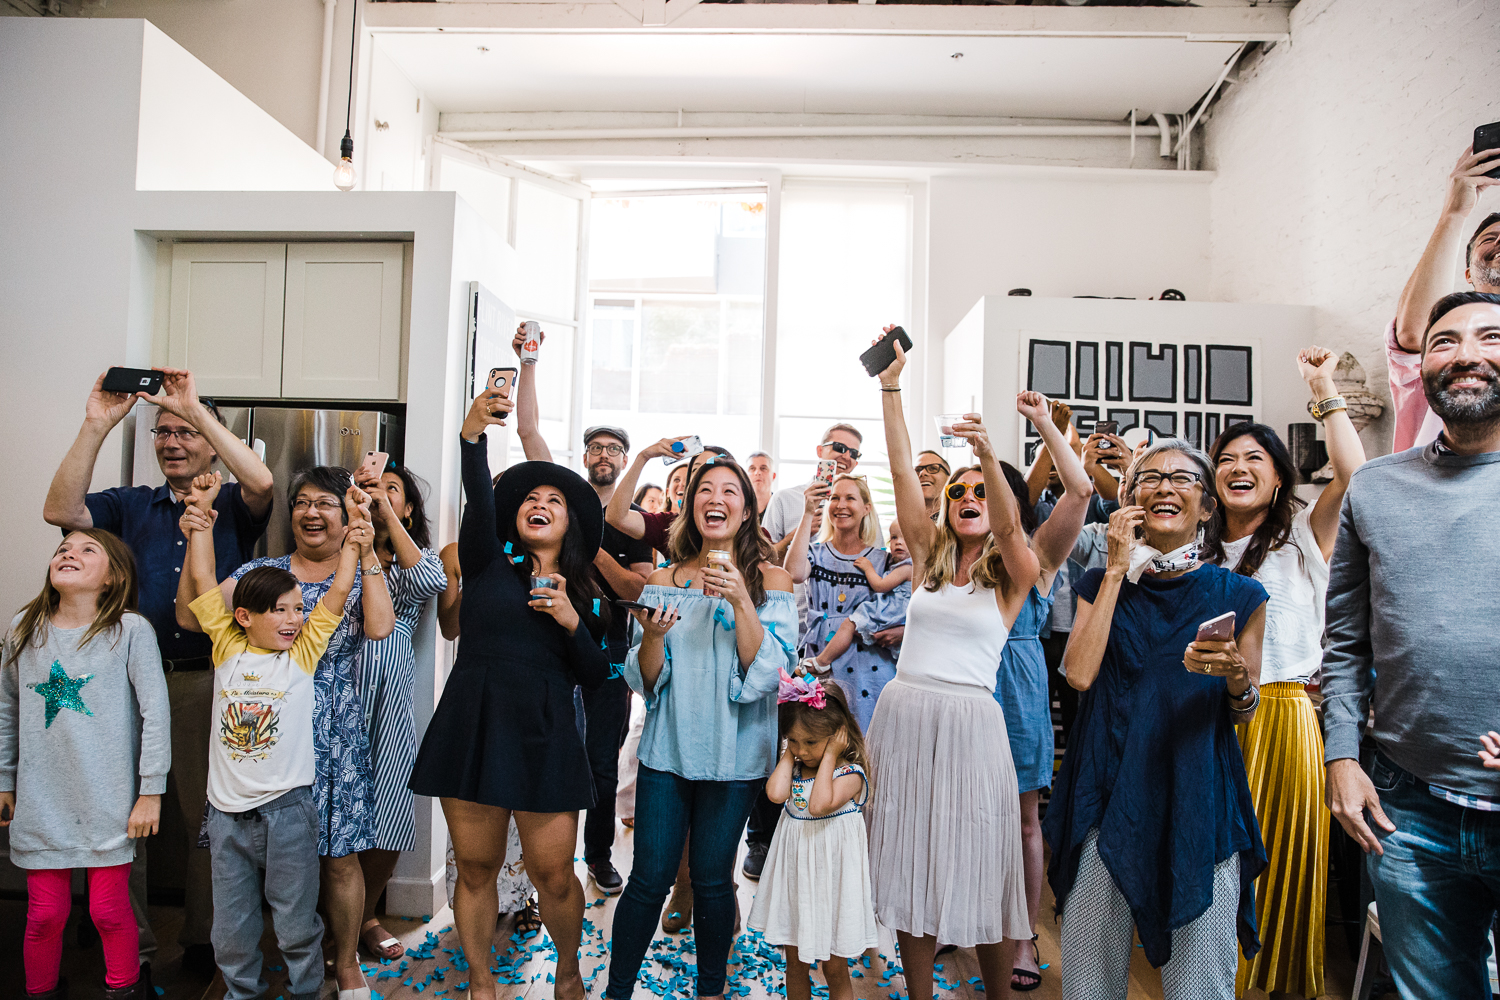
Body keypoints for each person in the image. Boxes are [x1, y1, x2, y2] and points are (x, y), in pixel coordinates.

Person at [43, 367, 273, 977]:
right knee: (124, 809)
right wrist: (97, 425)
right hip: (121, 682)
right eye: (162, 433)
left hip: (206, 679)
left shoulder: (230, 504)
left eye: (185, 432)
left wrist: (195, 410)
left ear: (208, 433)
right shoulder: (128, 505)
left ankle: (204, 939)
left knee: (207, 816)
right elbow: (57, 508)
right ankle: (131, 941)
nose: (171, 441)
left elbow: (261, 479)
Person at [1044, 439, 1269, 1000]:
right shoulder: (1099, 584)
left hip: (1199, 793)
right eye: (1150, 477)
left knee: (1201, 981)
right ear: (1130, 497)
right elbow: (1078, 674)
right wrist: (1118, 569)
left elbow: (1244, 710)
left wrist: (1237, 675)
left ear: (1208, 504)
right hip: (1107, 786)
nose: (1165, 487)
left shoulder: (1241, 594)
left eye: (1183, 478)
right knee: (1090, 975)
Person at [1323, 291, 1500, 998]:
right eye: (1444, 341)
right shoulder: (1377, 487)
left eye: (1490, 336)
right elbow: (1346, 641)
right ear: (1421, 364)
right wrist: (1341, 754)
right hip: (1406, 807)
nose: (1466, 355)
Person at [409, 382, 609, 1000]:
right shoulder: (487, 559)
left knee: (553, 875)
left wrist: (573, 621)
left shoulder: (587, 592)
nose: (538, 503)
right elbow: (477, 487)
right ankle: (479, 979)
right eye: (528, 497)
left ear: (569, 520)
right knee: (475, 867)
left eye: (554, 499)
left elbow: (601, 676)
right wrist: (472, 433)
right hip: (474, 724)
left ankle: (568, 972)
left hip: (546, 734)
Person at [177, 466, 393, 999]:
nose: (295, 618)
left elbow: (340, 595)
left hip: (290, 804)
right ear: (245, 617)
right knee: (232, 923)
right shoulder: (226, 646)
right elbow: (204, 589)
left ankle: (311, 987)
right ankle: (239, 991)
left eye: (300, 609)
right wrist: (200, 525)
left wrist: (358, 537)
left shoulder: (305, 650)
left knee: (299, 918)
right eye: (281, 610)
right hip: (229, 811)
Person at [867, 332, 1038, 1000]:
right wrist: (891, 385)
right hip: (904, 713)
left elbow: (1010, 528)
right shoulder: (928, 559)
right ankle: (918, 994)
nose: (967, 495)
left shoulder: (1014, 574)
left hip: (971, 723)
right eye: (958, 490)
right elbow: (903, 468)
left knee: (979, 870)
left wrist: (988, 456)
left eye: (979, 491)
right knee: (910, 864)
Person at [605, 458, 797, 1000]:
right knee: (647, 880)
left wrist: (740, 600)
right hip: (668, 752)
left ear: (745, 509)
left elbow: (773, 677)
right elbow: (646, 683)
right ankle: (617, 991)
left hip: (737, 758)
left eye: (729, 490)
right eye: (703, 489)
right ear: (690, 507)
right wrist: (652, 639)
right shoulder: (663, 580)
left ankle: (711, 990)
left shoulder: (774, 583)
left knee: (713, 880)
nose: (715, 497)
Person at [1212, 347, 1365, 1000]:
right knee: (1216, 862)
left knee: (1282, 860)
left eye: (1254, 458)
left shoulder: (1302, 534)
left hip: (1285, 715)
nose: (1238, 467)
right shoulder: (1196, 547)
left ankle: (1274, 983)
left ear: (1278, 478)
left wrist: (1324, 385)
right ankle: (1216, 978)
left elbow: (1355, 472)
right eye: (1226, 459)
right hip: (1211, 718)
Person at [510, 329, 655, 896]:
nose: (602, 456)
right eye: (594, 447)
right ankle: (532, 873)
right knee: (538, 752)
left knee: (599, 762)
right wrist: (529, 359)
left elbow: (638, 591)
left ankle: (596, 857)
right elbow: (527, 431)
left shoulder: (636, 521)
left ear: (623, 463)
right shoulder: (558, 496)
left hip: (608, 653)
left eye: (613, 450)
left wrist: (589, 538)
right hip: (543, 645)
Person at [1, 529, 168, 1000]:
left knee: (111, 913)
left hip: (110, 801)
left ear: (113, 577)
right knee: (44, 916)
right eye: (62, 549)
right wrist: (3, 779)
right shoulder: (22, 628)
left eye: (86, 550)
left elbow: (156, 714)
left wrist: (150, 792)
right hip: (42, 802)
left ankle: (124, 990)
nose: (69, 553)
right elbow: (5, 709)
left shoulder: (131, 630)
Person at [989, 392, 1094, 993]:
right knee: (966, 815)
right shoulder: (949, 560)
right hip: (964, 686)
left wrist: (1044, 426)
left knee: (1026, 819)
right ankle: (970, 918)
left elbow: (1078, 492)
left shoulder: (1038, 555)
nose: (980, 501)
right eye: (969, 491)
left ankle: (1024, 933)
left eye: (993, 491)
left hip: (1017, 682)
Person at [348, 463, 447, 960]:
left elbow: (431, 581)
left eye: (393, 492)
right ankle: (333, 924)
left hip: (391, 700)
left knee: (389, 812)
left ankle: (364, 917)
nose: (381, 496)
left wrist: (382, 508)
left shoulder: (417, 560)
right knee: (336, 815)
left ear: (408, 508)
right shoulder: (340, 553)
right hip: (338, 697)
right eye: (372, 489)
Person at [434, 536, 541, 941]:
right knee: (476, 806)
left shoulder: (540, 550)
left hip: (530, 692)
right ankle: (477, 899)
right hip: (477, 695)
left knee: (527, 806)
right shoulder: (456, 554)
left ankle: (524, 897)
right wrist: (479, 583)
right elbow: (448, 628)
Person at [747, 677, 878, 1000]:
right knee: (795, 965)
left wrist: (831, 754)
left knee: (834, 969)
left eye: (811, 742)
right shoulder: (794, 765)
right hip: (798, 884)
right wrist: (790, 754)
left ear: (837, 736)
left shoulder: (850, 775)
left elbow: (819, 805)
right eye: (794, 740)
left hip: (832, 887)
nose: (801, 750)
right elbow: (775, 794)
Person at [1386, 143, 1500, 452]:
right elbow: (1413, 335)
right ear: (1468, 274)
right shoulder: (1442, 337)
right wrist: (1454, 213)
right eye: (1490, 239)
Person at [785, 473, 897, 730]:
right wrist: (807, 513)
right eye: (835, 497)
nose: (841, 504)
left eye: (850, 498)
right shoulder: (815, 552)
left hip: (869, 665)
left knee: (865, 737)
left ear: (866, 508)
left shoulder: (882, 560)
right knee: (821, 732)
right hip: (821, 657)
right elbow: (793, 572)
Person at [762, 424, 883, 564]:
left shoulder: (864, 509)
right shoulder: (783, 499)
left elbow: (878, 560)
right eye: (839, 447)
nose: (846, 456)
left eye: (854, 453)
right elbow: (764, 561)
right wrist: (799, 533)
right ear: (820, 451)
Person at [804, 518, 912, 671]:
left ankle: (823, 661)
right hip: (897, 615)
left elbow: (880, 586)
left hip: (890, 612)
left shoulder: (905, 568)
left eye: (905, 538)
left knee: (850, 624)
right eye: (894, 537)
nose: (898, 542)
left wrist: (868, 569)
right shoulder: (903, 566)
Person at [913, 450, 951, 522]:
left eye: (933, 468)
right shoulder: (904, 521)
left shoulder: (957, 518)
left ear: (949, 478)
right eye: (917, 470)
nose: (922, 473)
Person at [747, 451, 777, 517]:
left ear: (773, 476)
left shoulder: (781, 507)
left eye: (763, 468)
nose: (757, 472)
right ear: (745, 476)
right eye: (752, 468)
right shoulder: (739, 507)